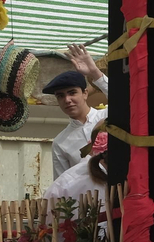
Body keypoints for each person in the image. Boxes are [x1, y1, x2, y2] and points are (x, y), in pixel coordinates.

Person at [45, 46, 111, 182]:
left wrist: (94, 71)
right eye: (60, 96)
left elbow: (126, 101)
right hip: (89, 202)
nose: (67, 100)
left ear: (85, 93)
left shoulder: (107, 116)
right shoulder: (60, 143)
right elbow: (62, 185)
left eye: (72, 92)